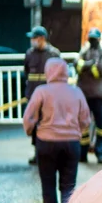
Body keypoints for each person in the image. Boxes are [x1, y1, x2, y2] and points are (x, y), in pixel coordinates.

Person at [22, 58, 90, 203]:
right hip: (71, 144)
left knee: (48, 186)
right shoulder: (76, 92)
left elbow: (28, 117)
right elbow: (85, 119)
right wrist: (77, 131)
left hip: (46, 144)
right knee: (68, 186)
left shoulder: (41, 91)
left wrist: (31, 131)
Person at [25, 26, 62, 164]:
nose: (32, 41)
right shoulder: (29, 53)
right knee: (35, 126)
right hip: (33, 96)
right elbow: (27, 72)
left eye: (34, 38)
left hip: (50, 97)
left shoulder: (53, 54)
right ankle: (38, 153)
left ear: (41, 39)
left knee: (50, 124)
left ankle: (52, 154)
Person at [77, 28, 102, 164]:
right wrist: (90, 65)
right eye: (90, 37)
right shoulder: (84, 51)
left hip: (99, 95)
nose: (92, 40)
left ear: (99, 39)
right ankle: (82, 154)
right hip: (84, 95)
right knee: (83, 126)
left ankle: (100, 153)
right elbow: (77, 66)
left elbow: (100, 70)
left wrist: (86, 66)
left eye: (94, 38)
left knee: (101, 126)